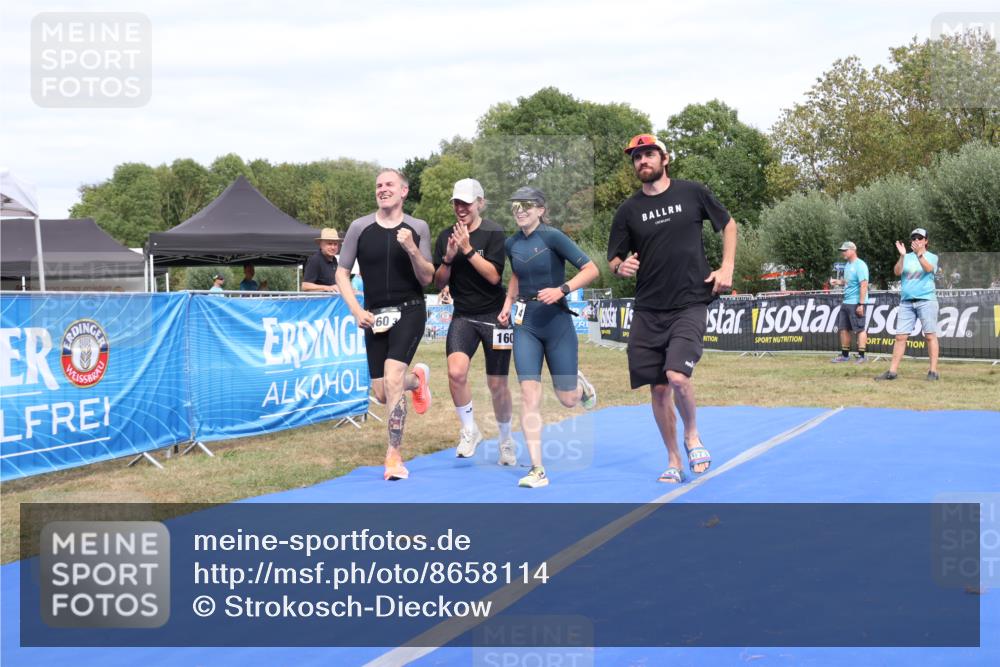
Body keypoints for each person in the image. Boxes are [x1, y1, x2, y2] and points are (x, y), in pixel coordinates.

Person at [608, 134, 737, 484]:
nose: (642, 161)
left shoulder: (692, 192)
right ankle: (673, 459)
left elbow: (728, 224)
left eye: (649, 154)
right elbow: (614, 259)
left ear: (665, 159)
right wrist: (621, 267)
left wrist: (727, 268)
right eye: (636, 157)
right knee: (658, 388)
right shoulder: (628, 211)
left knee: (678, 377)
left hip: (690, 302)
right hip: (649, 309)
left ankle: (692, 434)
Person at [334, 168, 434, 480]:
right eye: (379, 185)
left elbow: (428, 277)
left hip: (410, 309)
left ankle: (393, 457)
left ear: (404, 191)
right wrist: (355, 309)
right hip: (374, 316)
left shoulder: (417, 227)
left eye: (389, 184)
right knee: (381, 393)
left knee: (392, 378)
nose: (382, 189)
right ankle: (416, 381)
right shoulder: (359, 227)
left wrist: (412, 249)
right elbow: (341, 272)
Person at [498, 186, 599, 488]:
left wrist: (562, 290)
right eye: (516, 205)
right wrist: (507, 306)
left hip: (557, 323)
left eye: (528, 205)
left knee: (567, 399)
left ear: (541, 209)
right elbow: (516, 274)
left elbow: (591, 269)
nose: (521, 210)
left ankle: (579, 387)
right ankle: (537, 469)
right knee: (529, 395)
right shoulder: (511, 243)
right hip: (525, 323)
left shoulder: (553, 237)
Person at [433, 178, 515, 465]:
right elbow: (437, 282)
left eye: (466, 202)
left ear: (480, 202)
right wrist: (447, 258)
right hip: (463, 315)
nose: (461, 208)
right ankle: (470, 430)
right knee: (455, 373)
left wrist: (467, 250)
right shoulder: (445, 235)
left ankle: (506, 440)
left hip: (495, 316)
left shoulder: (494, 233)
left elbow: (494, 277)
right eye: (457, 202)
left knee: (497, 384)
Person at [875, 227, 940, 381]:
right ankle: (892, 372)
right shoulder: (907, 257)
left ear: (926, 241)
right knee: (900, 337)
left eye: (919, 238)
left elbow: (929, 269)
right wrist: (903, 256)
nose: (916, 240)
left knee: (930, 336)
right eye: (914, 238)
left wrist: (919, 255)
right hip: (906, 302)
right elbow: (897, 272)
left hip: (926, 301)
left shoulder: (932, 257)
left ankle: (933, 371)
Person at [830, 241, 869, 363]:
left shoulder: (860, 265)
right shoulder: (847, 265)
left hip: (856, 303)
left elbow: (864, 285)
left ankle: (862, 356)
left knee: (860, 329)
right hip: (846, 301)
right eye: (842, 251)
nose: (843, 253)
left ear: (853, 250)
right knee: (843, 329)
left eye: (845, 250)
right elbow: (848, 282)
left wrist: (861, 304)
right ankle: (845, 356)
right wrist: (838, 282)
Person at [302, 228, 342, 293]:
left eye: (335, 244)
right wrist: (328, 288)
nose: (333, 247)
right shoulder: (315, 260)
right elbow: (305, 286)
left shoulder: (334, 260)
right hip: (318, 302)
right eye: (329, 244)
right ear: (321, 245)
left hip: (332, 302)